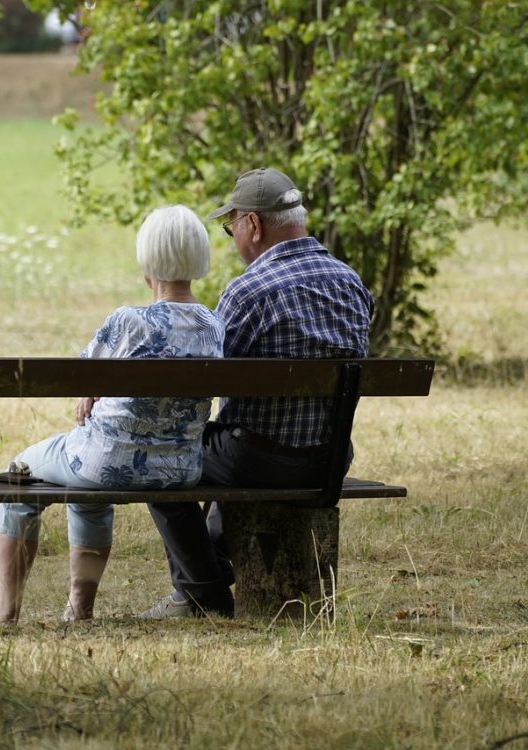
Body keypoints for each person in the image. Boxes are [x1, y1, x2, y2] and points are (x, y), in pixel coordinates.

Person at [140, 167, 374, 619]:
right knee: (233, 442)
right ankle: (209, 571)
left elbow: (206, 382)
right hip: (329, 458)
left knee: (159, 454)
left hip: (259, 460)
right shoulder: (352, 284)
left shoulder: (248, 292)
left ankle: (202, 593)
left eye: (231, 228)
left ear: (253, 224)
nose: (233, 239)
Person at [0, 204, 225, 624]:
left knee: (19, 474)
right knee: (87, 488)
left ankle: (5, 611)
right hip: (179, 470)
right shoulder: (214, 325)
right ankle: (78, 609)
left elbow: (79, 377)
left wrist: (91, 391)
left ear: (147, 260)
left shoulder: (128, 322)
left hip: (105, 463)